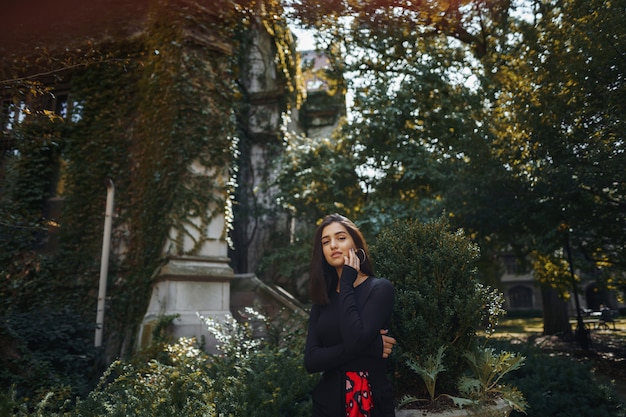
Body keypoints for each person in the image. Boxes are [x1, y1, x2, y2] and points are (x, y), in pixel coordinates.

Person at [304, 213, 397, 417]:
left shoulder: (379, 289)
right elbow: (311, 360)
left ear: (355, 244)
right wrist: (372, 347)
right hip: (326, 406)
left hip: (370, 403)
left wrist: (346, 282)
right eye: (326, 242)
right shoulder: (322, 299)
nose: (333, 245)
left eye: (341, 237)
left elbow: (354, 341)